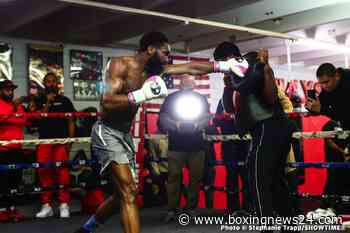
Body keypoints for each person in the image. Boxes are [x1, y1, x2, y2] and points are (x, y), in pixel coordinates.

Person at [75, 31, 250, 233]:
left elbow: (192, 68)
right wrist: (140, 95)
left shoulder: (156, 71)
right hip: (107, 131)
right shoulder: (119, 64)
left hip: (125, 135)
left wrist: (223, 66)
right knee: (129, 192)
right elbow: (106, 101)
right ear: (150, 49)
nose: (169, 57)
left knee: (120, 195)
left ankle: (87, 229)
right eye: (165, 52)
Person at [220, 45, 298, 232]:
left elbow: (272, 99)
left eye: (225, 61)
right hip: (262, 129)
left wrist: (264, 67)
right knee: (274, 181)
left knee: (258, 179)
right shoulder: (236, 79)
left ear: (233, 57)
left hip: (270, 126)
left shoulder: (256, 69)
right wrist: (229, 86)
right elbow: (229, 110)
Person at [158, 75, 210, 221]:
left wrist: (196, 126)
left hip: (196, 145)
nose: (189, 84)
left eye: (191, 82)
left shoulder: (201, 98)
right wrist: (177, 126)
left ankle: (191, 208)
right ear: (180, 84)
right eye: (186, 82)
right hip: (176, 145)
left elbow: (207, 117)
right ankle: (172, 209)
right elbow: (162, 118)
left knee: (195, 178)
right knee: (174, 177)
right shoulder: (171, 98)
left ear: (194, 85)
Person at [35, 73, 76, 218]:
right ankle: (46, 206)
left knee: (63, 173)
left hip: (61, 142)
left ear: (57, 84)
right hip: (44, 141)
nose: (51, 84)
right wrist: (47, 102)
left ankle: (64, 205)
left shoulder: (65, 101)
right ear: (44, 84)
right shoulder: (39, 100)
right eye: (48, 82)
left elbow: (71, 122)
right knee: (44, 172)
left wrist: (70, 142)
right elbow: (39, 119)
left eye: (53, 81)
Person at [213, 74, 250, 214]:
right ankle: (232, 208)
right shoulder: (222, 101)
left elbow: (252, 117)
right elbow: (216, 120)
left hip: (245, 143)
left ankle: (248, 207)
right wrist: (225, 118)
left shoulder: (245, 97)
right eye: (227, 80)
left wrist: (237, 117)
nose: (229, 82)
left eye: (231, 80)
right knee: (231, 176)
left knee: (247, 176)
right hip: (229, 143)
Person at [0, 80, 26, 222]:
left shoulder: (18, 106)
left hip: (17, 148)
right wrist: (12, 110)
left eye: (11, 90)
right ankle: (2, 210)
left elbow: (22, 121)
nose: (10, 92)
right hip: (2, 149)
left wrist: (13, 112)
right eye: (6, 90)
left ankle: (12, 209)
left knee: (15, 180)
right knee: (2, 181)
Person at [306, 63, 350, 129]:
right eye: (321, 83)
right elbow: (321, 107)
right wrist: (311, 107)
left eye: (326, 82)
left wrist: (321, 109)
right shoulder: (328, 88)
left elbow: (345, 114)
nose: (324, 86)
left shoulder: (347, 81)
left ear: (337, 76)